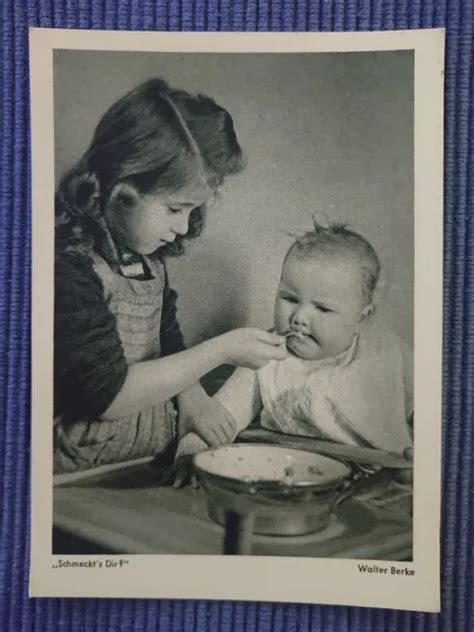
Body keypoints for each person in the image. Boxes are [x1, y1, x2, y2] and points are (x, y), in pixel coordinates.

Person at [53, 78, 287, 475]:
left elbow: (168, 348)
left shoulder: (149, 262)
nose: (184, 227)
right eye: (175, 209)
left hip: (143, 459)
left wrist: (194, 400)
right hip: (77, 477)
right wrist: (223, 349)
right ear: (121, 189)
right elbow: (109, 396)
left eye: (193, 211)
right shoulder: (68, 269)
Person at [175, 223, 414, 483]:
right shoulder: (266, 355)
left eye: (322, 309)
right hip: (287, 479)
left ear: (361, 317)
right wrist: (193, 453)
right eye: (289, 299)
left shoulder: (385, 352)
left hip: (376, 477)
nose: (299, 317)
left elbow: (428, 408)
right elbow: (219, 416)